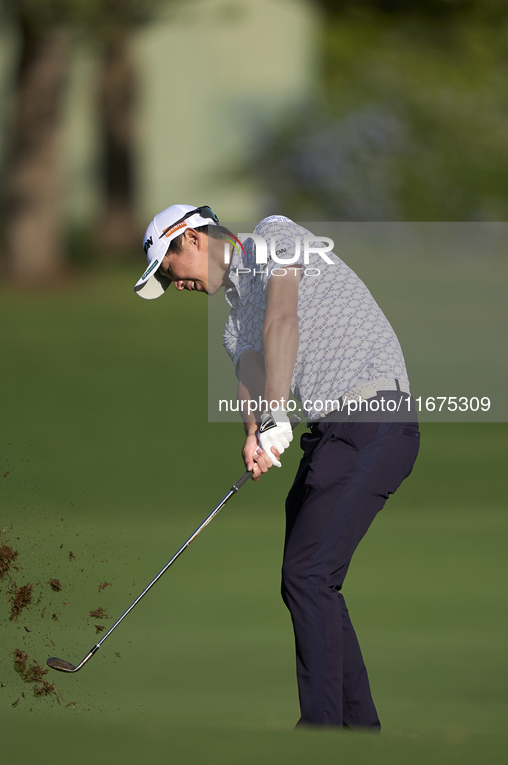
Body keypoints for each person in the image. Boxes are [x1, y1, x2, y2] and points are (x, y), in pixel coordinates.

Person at [134, 204, 420, 730]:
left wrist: (276, 412)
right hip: (333, 432)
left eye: (168, 270)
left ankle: (320, 730)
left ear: (191, 240)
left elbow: (282, 317)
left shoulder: (276, 235)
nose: (174, 285)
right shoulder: (232, 321)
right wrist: (253, 434)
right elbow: (251, 365)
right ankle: (361, 732)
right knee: (309, 580)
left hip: (375, 416)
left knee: (309, 573)